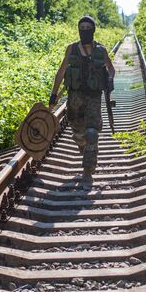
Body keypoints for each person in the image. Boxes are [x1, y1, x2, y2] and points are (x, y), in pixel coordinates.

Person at [49, 15, 115, 178]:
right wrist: (54, 94)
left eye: (88, 28)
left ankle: (88, 169)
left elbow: (111, 68)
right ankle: (84, 149)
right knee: (78, 135)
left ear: (93, 30)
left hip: (93, 97)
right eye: (82, 28)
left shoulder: (101, 50)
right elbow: (61, 71)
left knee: (91, 133)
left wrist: (109, 80)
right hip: (75, 99)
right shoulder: (71, 49)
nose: (85, 31)